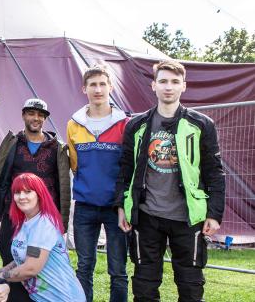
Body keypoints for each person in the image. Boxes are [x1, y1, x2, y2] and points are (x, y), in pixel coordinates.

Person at [115, 60, 225, 302]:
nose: (169, 87)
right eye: (163, 81)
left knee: (191, 286)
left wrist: (215, 214)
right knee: (144, 286)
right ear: (153, 85)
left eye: (175, 82)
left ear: (183, 86)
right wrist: (122, 206)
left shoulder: (201, 125)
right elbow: (125, 169)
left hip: (187, 217)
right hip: (146, 215)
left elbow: (214, 171)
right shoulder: (136, 125)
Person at [0, 98, 71, 302]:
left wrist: (61, 217)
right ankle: (12, 297)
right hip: (13, 213)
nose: (36, 118)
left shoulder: (56, 147)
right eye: (32, 113)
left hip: (42, 218)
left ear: (45, 119)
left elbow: (64, 184)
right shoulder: (13, 143)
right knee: (10, 257)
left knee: (39, 264)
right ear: (24, 115)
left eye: (41, 115)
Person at [66, 66, 129, 302]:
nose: (98, 89)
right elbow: (74, 164)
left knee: (118, 270)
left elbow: (128, 167)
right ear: (84, 89)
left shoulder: (125, 123)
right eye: (93, 84)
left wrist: (123, 203)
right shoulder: (74, 124)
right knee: (84, 267)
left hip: (116, 208)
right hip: (84, 206)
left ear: (110, 87)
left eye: (103, 84)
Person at [0, 173, 85, 302]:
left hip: (63, 297)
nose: (22, 197)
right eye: (17, 192)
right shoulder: (26, 222)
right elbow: (25, 257)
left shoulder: (43, 224)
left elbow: (30, 268)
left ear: (39, 195)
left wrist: (2, 276)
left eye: (28, 192)